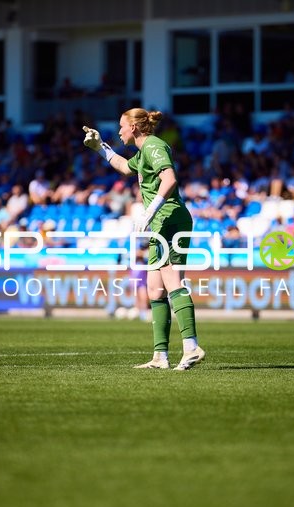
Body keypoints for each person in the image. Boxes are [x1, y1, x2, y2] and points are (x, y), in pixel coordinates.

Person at [82, 108, 205, 371]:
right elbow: (125, 167)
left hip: (169, 218)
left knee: (173, 281)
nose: (119, 132)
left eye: (121, 126)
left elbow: (169, 179)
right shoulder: (142, 152)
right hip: (159, 222)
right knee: (154, 289)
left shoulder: (154, 145)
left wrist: (149, 210)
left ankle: (191, 346)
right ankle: (160, 356)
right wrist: (99, 147)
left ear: (134, 128)